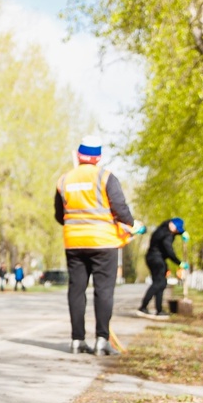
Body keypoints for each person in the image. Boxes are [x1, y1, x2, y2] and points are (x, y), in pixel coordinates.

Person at [54, 135, 141, 356]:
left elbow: (59, 215)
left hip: (74, 243)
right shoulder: (106, 177)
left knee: (76, 290)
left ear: (79, 154)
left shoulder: (64, 180)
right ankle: (102, 340)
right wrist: (132, 224)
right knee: (103, 291)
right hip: (104, 243)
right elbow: (120, 209)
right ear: (99, 157)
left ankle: (77, 340)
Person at [137, 218, 188, 318]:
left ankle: (159, 310)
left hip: (155, 258)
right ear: (172, 225)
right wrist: (179, 262)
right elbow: (169, 251)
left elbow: (174, 233)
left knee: (162, 283)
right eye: (177, 229)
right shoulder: (166, 234)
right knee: (158, 283)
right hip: (156, 259)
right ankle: (143, 307)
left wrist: (183, 233)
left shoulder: (165, 229)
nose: (177, 231)